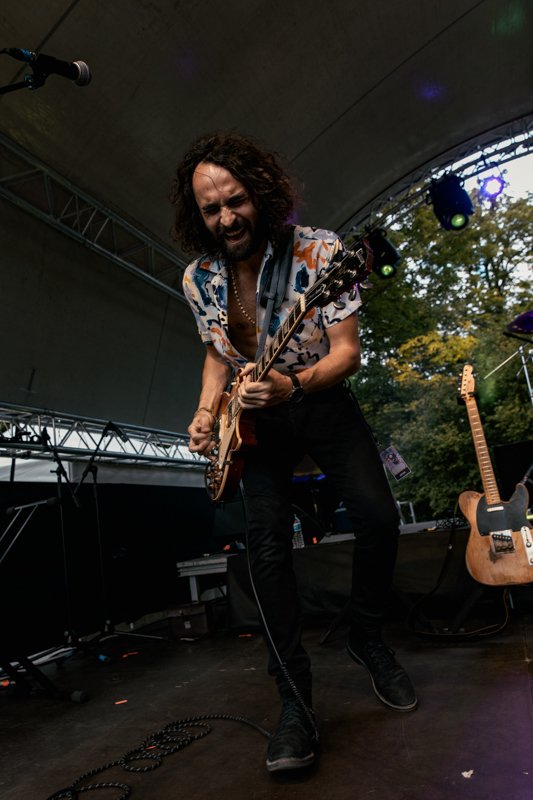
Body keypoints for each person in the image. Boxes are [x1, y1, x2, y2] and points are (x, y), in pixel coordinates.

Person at [170, 132, 417, 773]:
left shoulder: (320, 252)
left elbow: (347, 353)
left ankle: (367, 635)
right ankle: (294, 701)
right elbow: (216, 353)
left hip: (317, 394)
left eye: (236, 201)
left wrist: (294, 385)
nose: (227, 218)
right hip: (253, 420)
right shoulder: (198, 278)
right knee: (266, 547)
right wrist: (207, 412)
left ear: (261, 192)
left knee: (378, 516)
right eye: (211, 209)